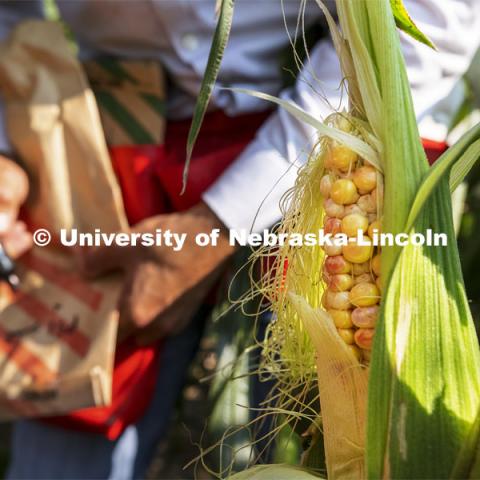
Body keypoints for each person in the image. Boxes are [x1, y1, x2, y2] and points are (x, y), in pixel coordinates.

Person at [0, 1, 479, 478]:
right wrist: (7, 146)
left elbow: (432, 21)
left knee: (332, 429)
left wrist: (220, 221)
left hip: (314, 132)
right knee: (60, 444)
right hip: (110, 145)